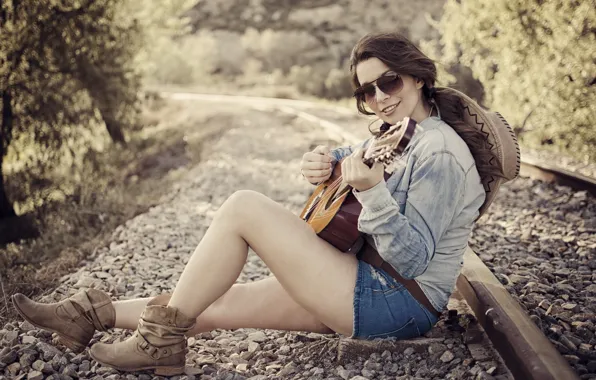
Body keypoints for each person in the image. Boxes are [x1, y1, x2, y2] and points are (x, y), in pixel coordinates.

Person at [11, 32, 505, 376]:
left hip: (396, 302)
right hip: (360, 277)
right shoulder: (405, 130)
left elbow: (414, 259)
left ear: (417, 76)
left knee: (244, 206)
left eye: (388, 83)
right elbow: (363, 156)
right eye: (366, 92)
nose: (378, 97)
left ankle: (156, 346)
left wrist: (372, 192)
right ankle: (86, 316)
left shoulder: (440, 152)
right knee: (216, 299)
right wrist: (325, 160)